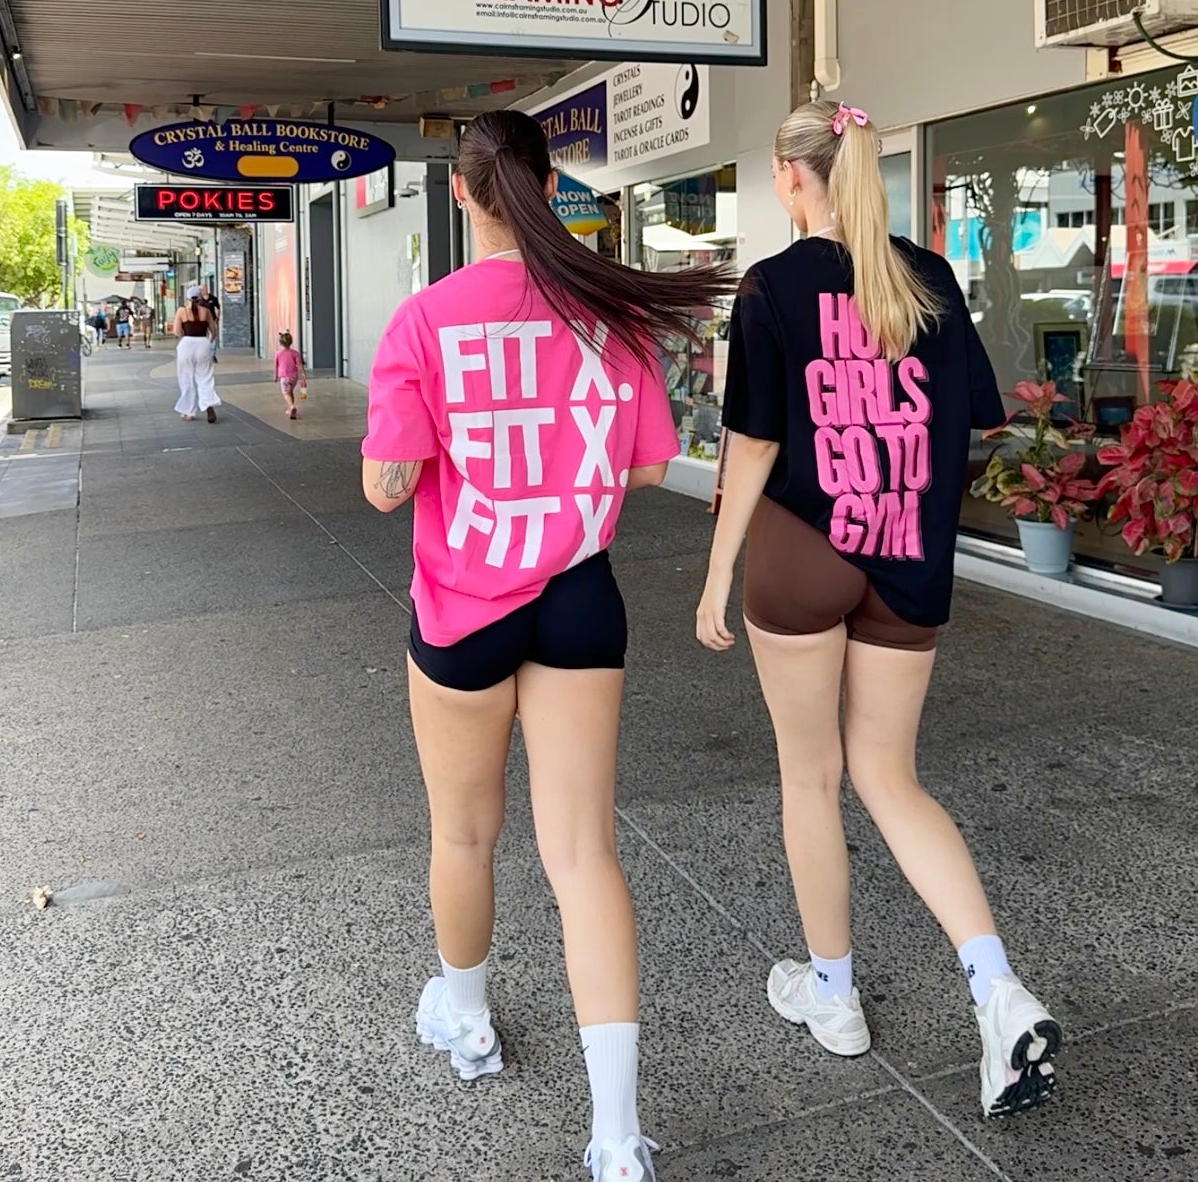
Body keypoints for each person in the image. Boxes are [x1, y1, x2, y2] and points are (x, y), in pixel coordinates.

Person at [361, 109, 731, 1182]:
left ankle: (467, 1020)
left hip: (465, 607)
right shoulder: (605, 315)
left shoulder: (425, 320)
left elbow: (388, 487)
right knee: (583, 856)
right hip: (580, 599)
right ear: (542, 188)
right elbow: (653, 467)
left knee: (464, 836)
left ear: (464, 194)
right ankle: (618, 1135)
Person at [694, 101, 1060, 1122]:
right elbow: (978, 416)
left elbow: (753, 446)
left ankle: (836, 994)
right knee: (892, 778)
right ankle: (998, 989)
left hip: (804, 552)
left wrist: (717, 572)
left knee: (810, 775)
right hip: (908, 553)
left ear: (791, 176)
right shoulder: (927, 276)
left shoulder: (771, 286)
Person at [172, 283, 220, 423]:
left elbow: (176, 332)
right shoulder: (206, 311)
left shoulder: (181, 311)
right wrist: (208, 344)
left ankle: (188, 412)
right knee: (205, 378)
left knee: (186, 378)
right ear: (199, 298)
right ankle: (208, 405)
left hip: (186, 345)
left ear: (187, 298)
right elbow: (214, 332)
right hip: (203, 344)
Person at [275, 330, 303, 420]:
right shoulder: (295, 353)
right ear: (291, 341)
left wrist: (275, 376)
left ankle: (291, 406)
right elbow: (299, 365)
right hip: (294, 376)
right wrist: (303, 375)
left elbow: (276, 365)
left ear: (280, 342)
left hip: (284, 377)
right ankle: (290, 410)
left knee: (286, 393)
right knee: (290, 391)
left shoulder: (278, 353)